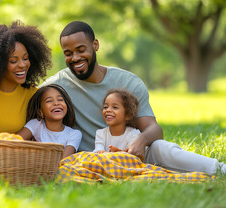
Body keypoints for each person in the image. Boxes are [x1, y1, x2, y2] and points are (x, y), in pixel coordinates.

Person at [41, 21, 225, 174]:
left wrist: (141, 141)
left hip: (134, 155)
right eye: (68, 53)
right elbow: (24, 94)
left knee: (161, 147)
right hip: (93, 161)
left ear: (95, 45)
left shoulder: (127, 81)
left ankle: (219, 170)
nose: (75, 57)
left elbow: (154, 129)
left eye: (81, 50)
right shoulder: (58, 84)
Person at [17, 84, 82, 158]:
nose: (56, 103)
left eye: (60, 99)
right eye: (49, 101)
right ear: (40, 112)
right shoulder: (35, 124)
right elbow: (13, 142)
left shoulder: (74, 134)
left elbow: (64, 161)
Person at [94, 89, 141, 153]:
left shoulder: (133, 134)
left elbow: (131, 155)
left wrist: (118, 152)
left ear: (128, 115)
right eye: (105, 107)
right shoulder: (101, 134)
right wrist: (101, 152)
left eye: (115, 107)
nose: (108, 110)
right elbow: (98, 151)